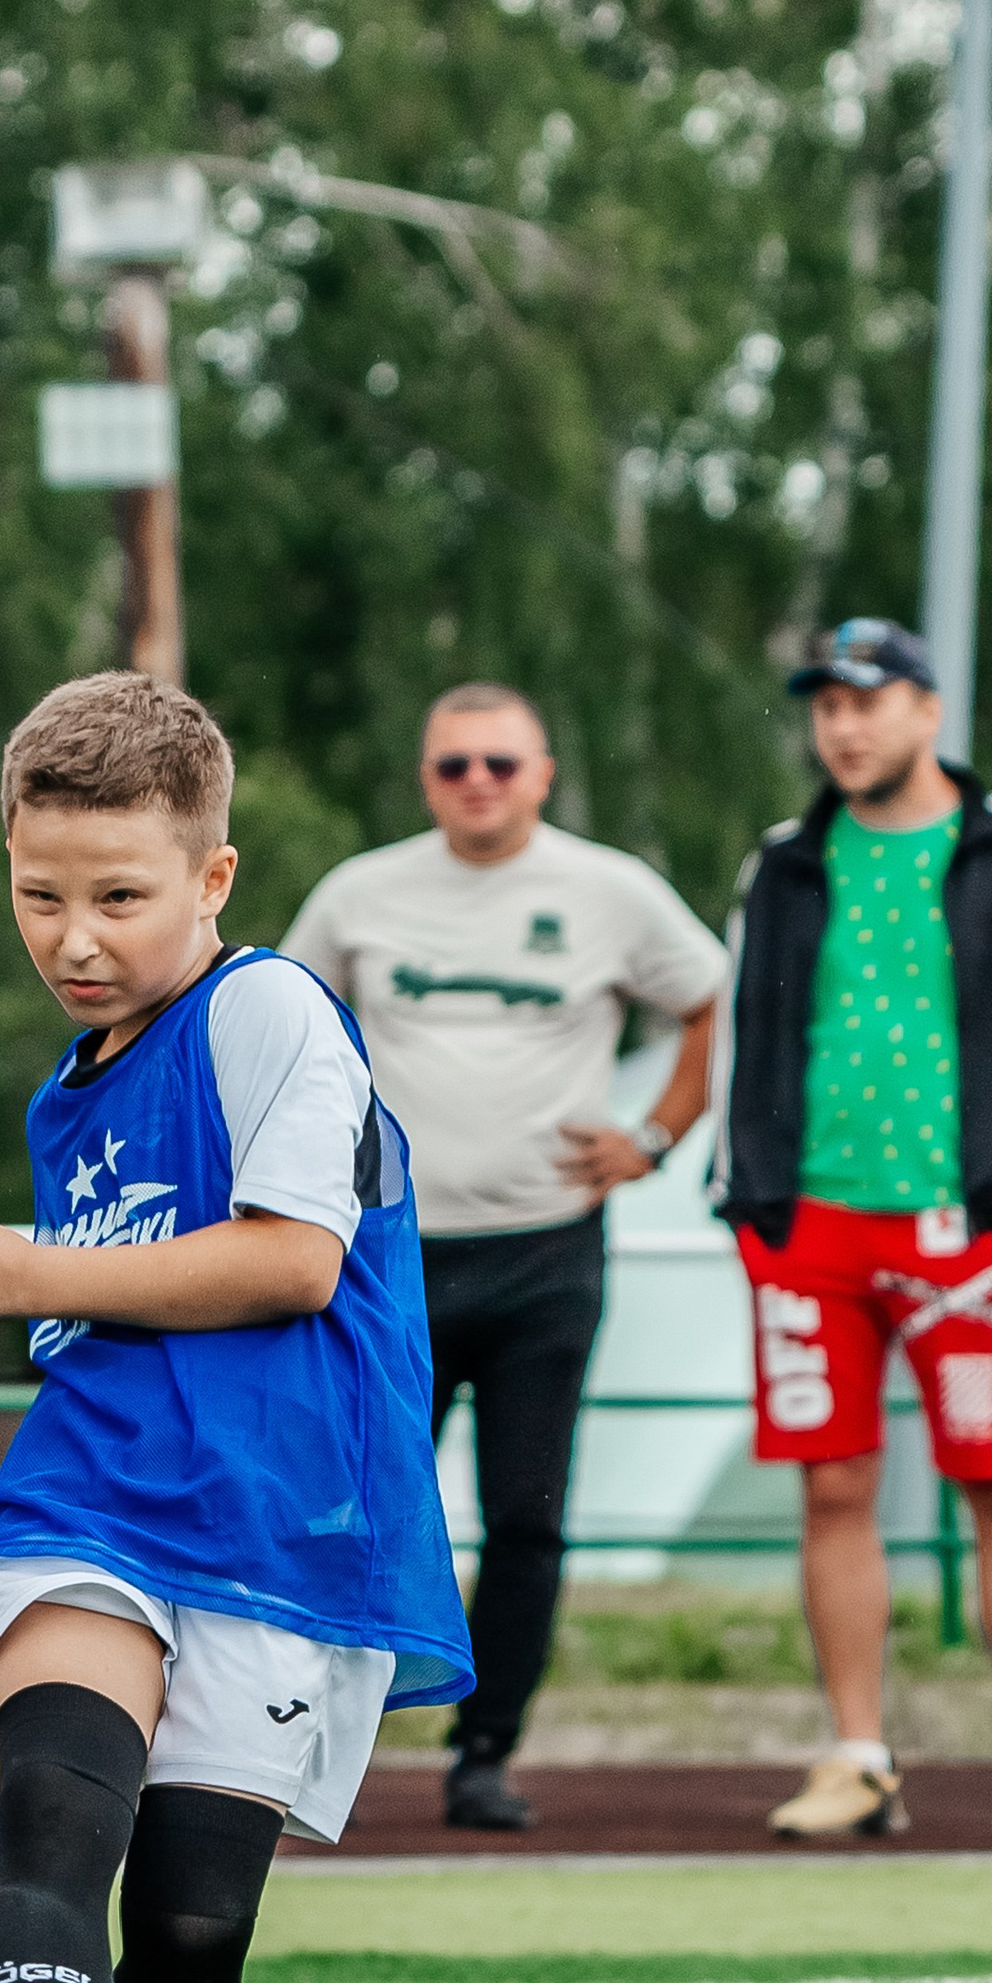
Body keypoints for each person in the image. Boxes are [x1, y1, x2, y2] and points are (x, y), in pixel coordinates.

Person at [0, 673, 470, 1983]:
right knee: (63, 1808)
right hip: (89, 1499)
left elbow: (294, 1258)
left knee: (200, 1923)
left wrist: (32, 1271)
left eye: (121, 896)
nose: (74, 937)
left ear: (213, 879)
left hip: (284, 1525)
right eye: (41, 893)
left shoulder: (275, 1011)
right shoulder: (73, 1082)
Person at [281, 682, 726, 1830]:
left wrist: (655, 1137)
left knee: (527, 1513)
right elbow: (279, 1025)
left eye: (499, 763)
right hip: (392, 1257)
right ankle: (305, 1739)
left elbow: (709, 999)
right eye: (452, 766)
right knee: (363, 1502)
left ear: (542, 772)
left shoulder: (610, 890)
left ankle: (485, 1752)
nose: (477, 783)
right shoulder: (361, 892)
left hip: (546, 1255)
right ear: (424, 778)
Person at [712, 613, 992, 1841]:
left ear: (927, 711)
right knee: (833, 1487)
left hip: (964, 1228)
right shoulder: (782, 861)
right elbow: (747, 1031)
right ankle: (856, 1756)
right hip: (811, 1228)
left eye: (868, 700)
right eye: (827, 705)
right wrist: (751, 1204)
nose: (843, 725)